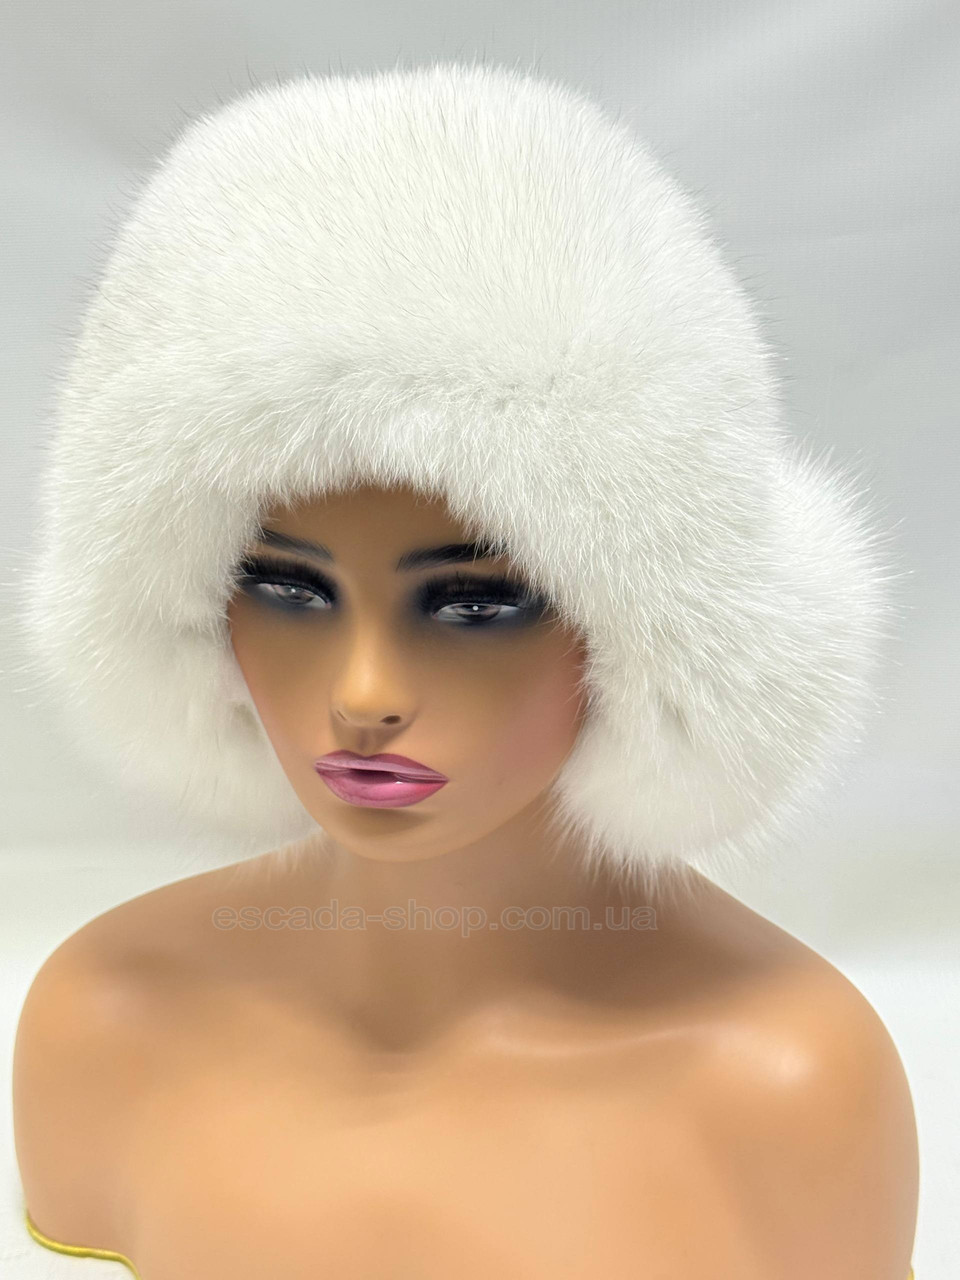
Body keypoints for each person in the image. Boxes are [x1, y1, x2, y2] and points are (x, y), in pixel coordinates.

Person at [11, 61, 918, 1278]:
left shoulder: (781, 1091)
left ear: (642, 622)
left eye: (475, 602)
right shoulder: (107, 1020)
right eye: (289, 589)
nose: (364, 692)